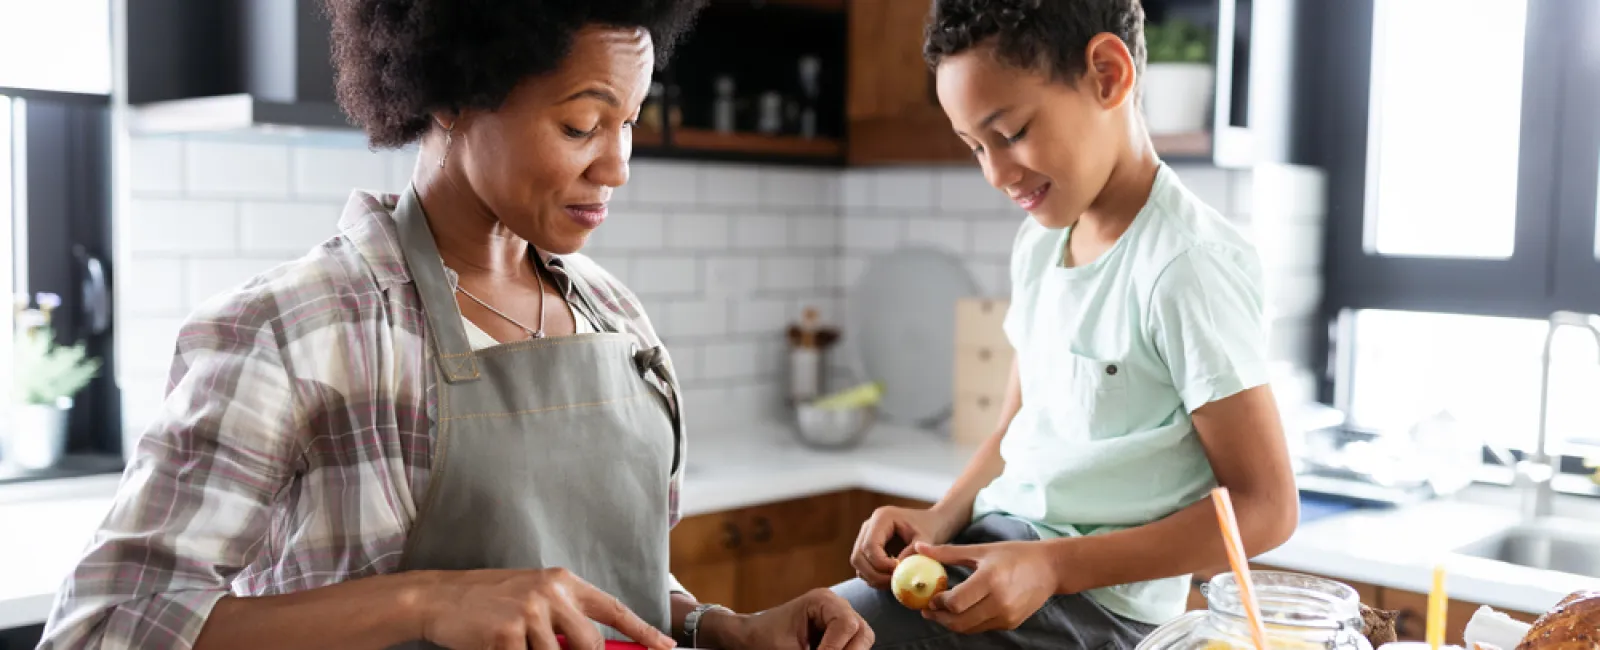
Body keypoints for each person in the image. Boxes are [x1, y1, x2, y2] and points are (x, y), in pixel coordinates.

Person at [38, 2, 874, 649]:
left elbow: (608, 576)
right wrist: (432, 600)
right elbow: (108, 624)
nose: (617, 165)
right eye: (581, 125)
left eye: (627, 123)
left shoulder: (614, 315)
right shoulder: (295, 332)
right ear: (452, 97)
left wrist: (710, 626)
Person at [834, 0, 1301, 648]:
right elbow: (1014, 429)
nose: (996, 174)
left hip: (1098, 608)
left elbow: (1268, 508)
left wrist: (1052, 568)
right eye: (975, 147)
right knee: (815, 627)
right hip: (1003, 551)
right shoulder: (1038, 244)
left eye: (1012, 131)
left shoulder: (1186, 265)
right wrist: (939, 517)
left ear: (1108, 75)